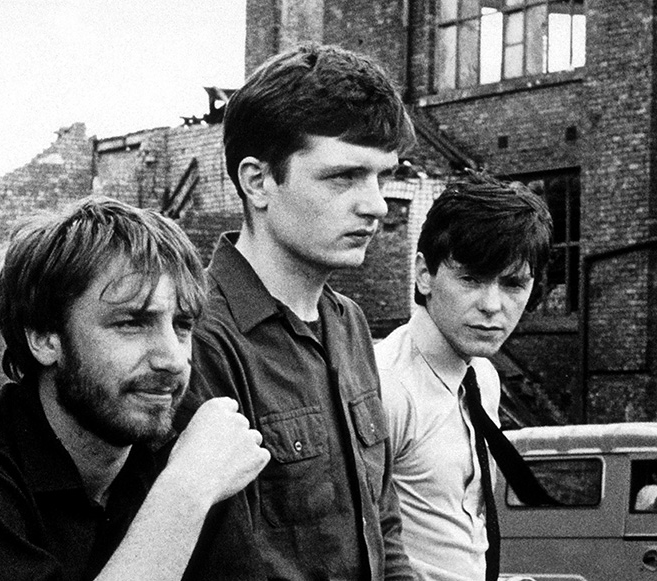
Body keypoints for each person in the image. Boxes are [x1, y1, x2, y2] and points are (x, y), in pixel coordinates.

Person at [0, 197, 271, 580]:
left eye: (182, 325)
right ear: (44, 338)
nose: (173, 359)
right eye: (131, 323)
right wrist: (185, 493)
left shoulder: (189, 450)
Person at [182, 43, 418, 580]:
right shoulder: (200, 338)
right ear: (258, 181)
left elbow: (383, 525)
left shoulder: (349, 323)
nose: (377, 204)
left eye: (382, 177)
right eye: (343, 177)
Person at [374, 175, 552, 580]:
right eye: (471, 278)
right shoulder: (386, 387)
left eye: (513, 283)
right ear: (424, 274)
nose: (492, 305)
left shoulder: (483, 377)